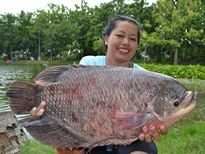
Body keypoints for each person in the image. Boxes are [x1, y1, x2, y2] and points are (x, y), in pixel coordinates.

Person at [30, 15, 168, 154]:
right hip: (89, 134)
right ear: (106, 39)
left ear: (137, 45)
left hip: (131, 138)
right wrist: (42, 111)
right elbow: (68, 97)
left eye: (132, 39)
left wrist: (152, 127)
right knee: (66, 149)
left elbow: (152, 118)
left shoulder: (145, 77)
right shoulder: (89, 63)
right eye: (120, 35)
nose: (126, 42)